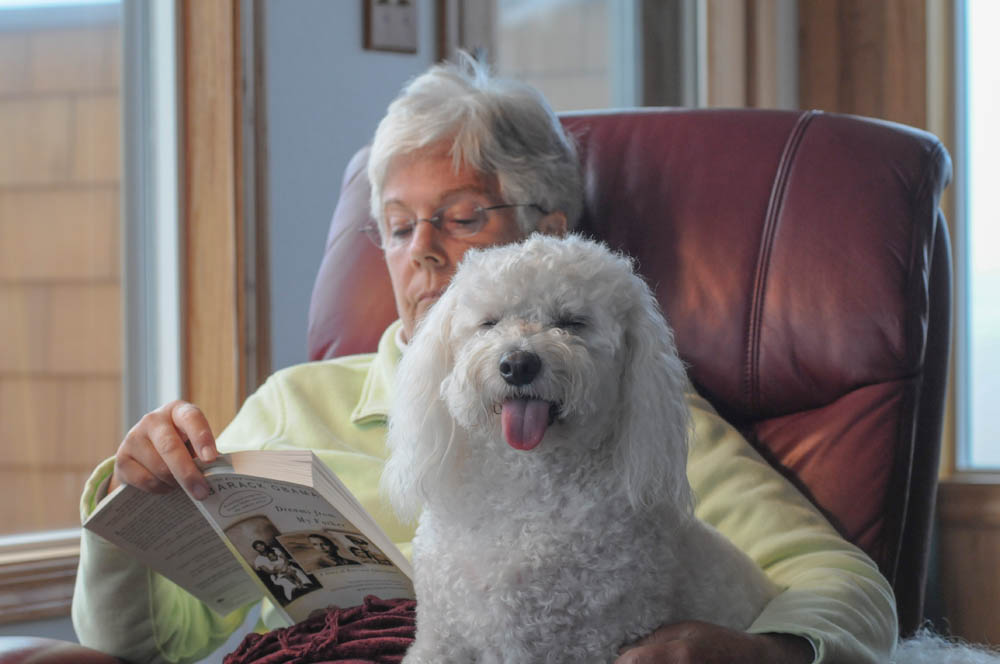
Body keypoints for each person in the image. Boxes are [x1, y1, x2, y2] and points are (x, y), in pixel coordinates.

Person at [72, 55, 896, 664]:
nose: (423, 254)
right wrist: (129, 511)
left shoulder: (627, 417)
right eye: (397, 226)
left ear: (546, 234)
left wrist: (774, 654)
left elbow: (842, 583)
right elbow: (155, 645)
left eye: (461, 218)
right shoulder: (293, 404)